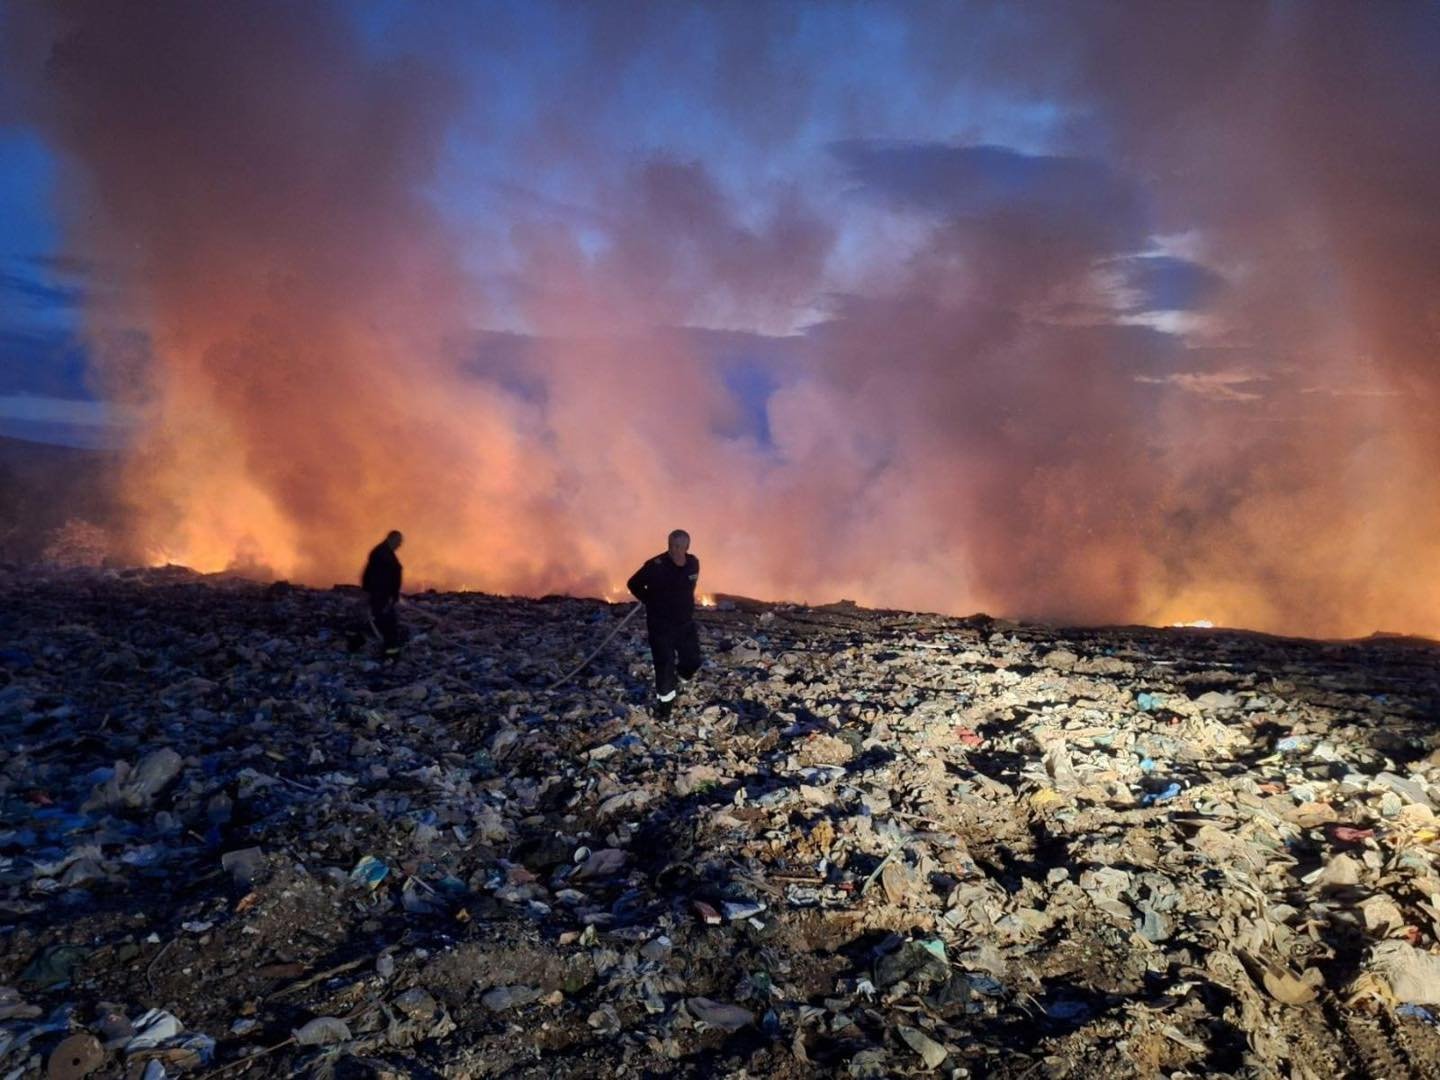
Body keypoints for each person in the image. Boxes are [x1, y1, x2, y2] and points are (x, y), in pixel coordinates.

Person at [627, 529, 701, 717]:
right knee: (665, 665)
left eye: (678, 546)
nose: (674, 550)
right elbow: (633, 583)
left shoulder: (693, 563)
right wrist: (649, 599)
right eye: (671, 546)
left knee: (692, 661)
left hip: (685, 624)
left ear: (686, 547)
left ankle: (683, 676)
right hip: (661, 626)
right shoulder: (655, 565)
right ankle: (665, 708)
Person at [361, 530, 404, 658]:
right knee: (388, 624)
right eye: (398, 541)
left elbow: (368, 575)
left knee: (385, 623)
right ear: (391, 539)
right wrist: (389, 595)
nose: (400, 545)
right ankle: (390, 654)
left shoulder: (384, 552)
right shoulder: (382, 554)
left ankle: (388, 651)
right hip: (381, 596)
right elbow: (382, 577)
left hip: (382, 595)